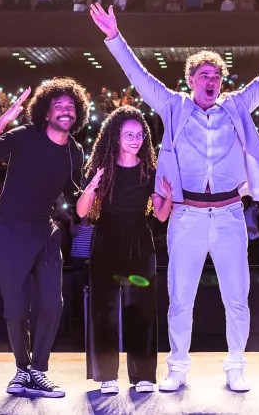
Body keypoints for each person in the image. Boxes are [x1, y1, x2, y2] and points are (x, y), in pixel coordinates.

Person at [90, 1, 259, 393]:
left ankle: (236, 366)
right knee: (180, 298)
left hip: (228, 215)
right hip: (186, 215)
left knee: (237, 298)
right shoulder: (173, 105)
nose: (211, 81)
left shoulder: (237, 106)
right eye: (204, 75)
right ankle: (178, 369)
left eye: (216, 76)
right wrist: (114, 37)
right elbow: (139, 77)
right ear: (190, 80)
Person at [0, 79, 88, 399]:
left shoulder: (74, 151)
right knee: (16, 308)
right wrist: (5, 118)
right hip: (10, 230)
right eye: (59, 105)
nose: (66, 110)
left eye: (71, 106)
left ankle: (38, 370)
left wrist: (90, 192)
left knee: (52, 302)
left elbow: (74, 197)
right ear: (46, 112)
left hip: (45, 231)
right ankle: (21, 370)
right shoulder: (23, 136)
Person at [76, 106, 172, 395]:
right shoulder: (101, 169)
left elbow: (162, 216)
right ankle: (107, 376)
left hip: (139, 242)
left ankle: (143, 376)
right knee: (103, 309)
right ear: (115, 136)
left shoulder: (149, 170)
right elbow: (83, 212)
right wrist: (91, 187)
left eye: (140, 134)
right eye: (129, 134)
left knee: (141, 309)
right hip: (106, 240)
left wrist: (166, 197)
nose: (135, 139)